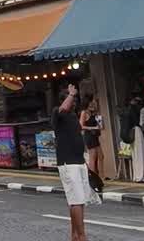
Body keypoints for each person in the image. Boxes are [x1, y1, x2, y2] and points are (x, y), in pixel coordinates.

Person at [54, 83, 98, 241]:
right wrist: (71, 94)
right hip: (67, 162)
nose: (75, 102)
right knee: (76, 200)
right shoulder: (58, 113)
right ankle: (82, 236)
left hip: (78, 161)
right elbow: (62, 109)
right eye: (72, 99)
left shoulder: (73, 116)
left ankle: (75, 235)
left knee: (80, 200)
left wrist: (84, 162)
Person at [79, 99, 104, 192]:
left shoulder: (94, 113)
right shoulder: (84, 113)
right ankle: (93, 180)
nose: (92, 105)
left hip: (95, 136)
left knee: (101, 156)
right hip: (89, 136)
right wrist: (92, 128)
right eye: (90, 104)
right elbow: (81, 126)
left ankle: (101, 177)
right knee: (93, 158)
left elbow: (100, 123)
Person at [121, 97, 144, 183]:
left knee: (134, 155)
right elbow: (138, 122)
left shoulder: (125, 110)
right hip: (136, 131)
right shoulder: (134, 109)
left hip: (130, 134)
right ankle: (140, 175)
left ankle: (136, 175)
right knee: (140, 154)